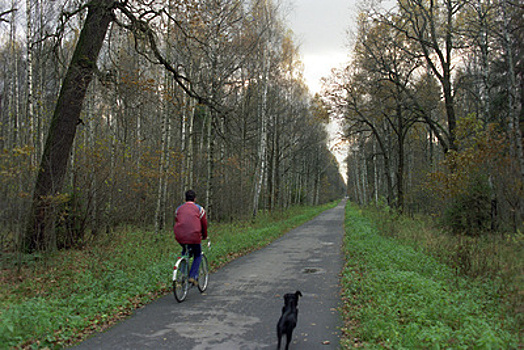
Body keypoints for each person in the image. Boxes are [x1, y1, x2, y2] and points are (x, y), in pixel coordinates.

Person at [174, 190, 208, 286]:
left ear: (185, 199)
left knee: (185, 251)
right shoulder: (199, 209)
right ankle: (192, 276)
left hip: (180, 236)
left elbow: (178, 220)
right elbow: (204, 224)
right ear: (195, 199)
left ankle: (182, 274)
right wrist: (204, 236)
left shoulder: (178, 209)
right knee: (198, 255)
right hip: (194, 236)